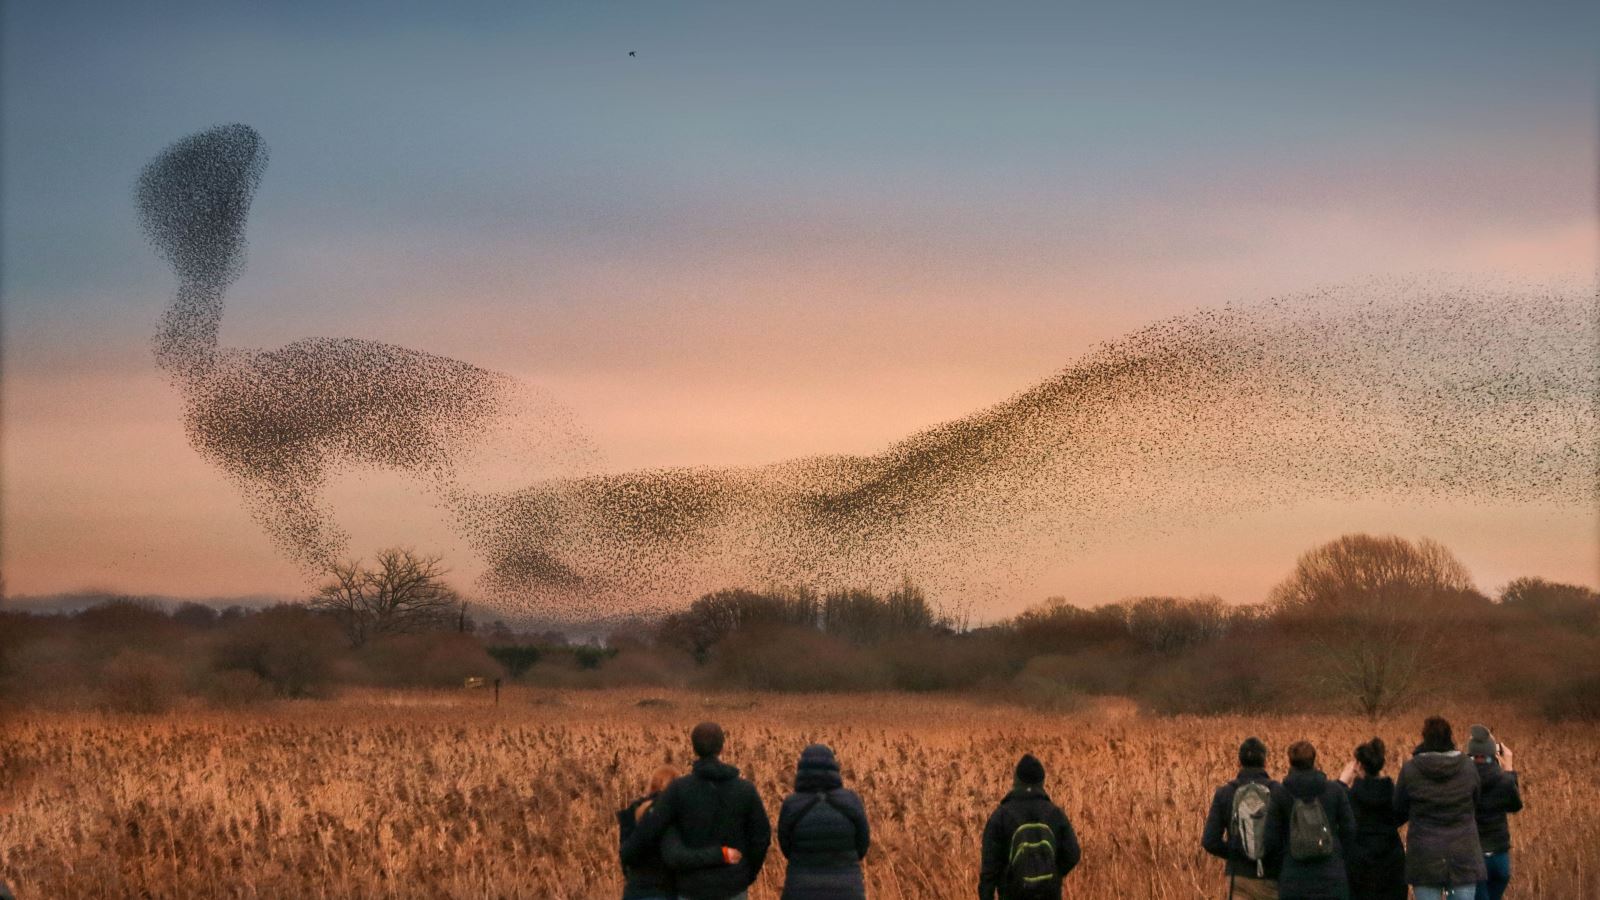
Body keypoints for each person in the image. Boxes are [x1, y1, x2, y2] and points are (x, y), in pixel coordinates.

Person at [622, 722, 772, 900]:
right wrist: (746, 875)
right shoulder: (745, 790)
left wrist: (629, 854)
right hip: (733, 886)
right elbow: (761, 837)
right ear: (722, 747)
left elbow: (649, 830)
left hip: (691, 888)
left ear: (693, 748)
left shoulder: (679, 789)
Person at [1395, 716, 1485, 900]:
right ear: (1450, 737)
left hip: (1425, 854)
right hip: (1463, 853)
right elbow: (1476, 801)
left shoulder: (1410, 769)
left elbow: (1398, 809)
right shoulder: (1468, 767)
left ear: (1424, 737)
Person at [619, 765, 740, 900]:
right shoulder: (677, 815)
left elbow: (626, 857)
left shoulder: (633, 814)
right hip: (665, 891)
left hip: (635, 892)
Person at [978, 753, 1080, 900]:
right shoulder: (1055, 814)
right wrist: (1053, 874)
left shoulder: (1000, 816)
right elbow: (1073, 854)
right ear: (1041, 781)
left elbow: (989, 871)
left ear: (1016, 781)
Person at [1264, 741, 1357, 900]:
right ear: (1314, 760)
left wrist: (1284, 865)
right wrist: (1338, 858)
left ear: (1290, 761)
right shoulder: (1334, 791)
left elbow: (1270, 840)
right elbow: (1350, 830)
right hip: (1331, 877)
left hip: (1293, 879)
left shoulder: (1280, 794)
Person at [777, 744, 871, 900]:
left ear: (802, 771)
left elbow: (786, 847)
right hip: (847, 891)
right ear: (834, 768)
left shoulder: (792, 804)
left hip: (801, 891)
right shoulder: (851, 800)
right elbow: (862, 845)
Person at [1203, 737, 1285, 899]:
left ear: (1238, 762)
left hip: (1239, 877)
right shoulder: (1279, 792)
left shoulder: (1225, 793)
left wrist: (1235, 852)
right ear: (1265, 761)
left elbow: (1209, 841)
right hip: (1271, 877)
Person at [1337, 738, 1406, 900]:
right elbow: (1402, 815)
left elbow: (1333, 812)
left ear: (1359, 766)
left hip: (1359, 863)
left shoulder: (1350, 796)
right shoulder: (1393, 794)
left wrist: (1341, 782)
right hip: (1391, 862)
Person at [1465, 725, 1521, 900]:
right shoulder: (1503, 780)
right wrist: (1510, 770)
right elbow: (1515, 805)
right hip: (1499, 855)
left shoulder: (1464, 780)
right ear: (1494, 754)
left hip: (1474, 855)